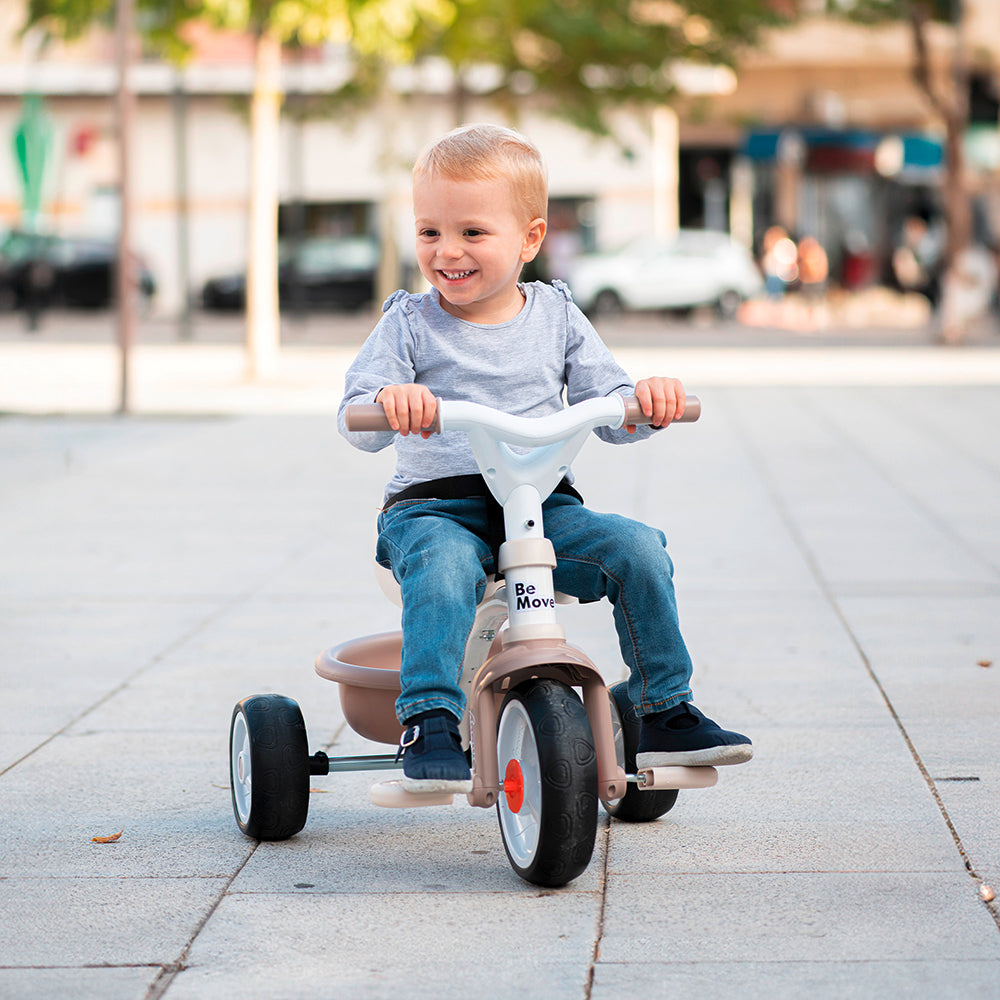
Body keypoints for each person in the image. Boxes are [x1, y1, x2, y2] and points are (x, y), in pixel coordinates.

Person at [338, 123, 752, 793]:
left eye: (472, 233)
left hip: (537, 505)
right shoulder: (409, 322)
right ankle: (430, 719)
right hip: (434, 508)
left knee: (639, 548)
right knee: (443, 570)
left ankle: (663, 707)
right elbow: (357, 420)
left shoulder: (558, 317)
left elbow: (613, 409)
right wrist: (391, 399)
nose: (447, 252)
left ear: (531, 239)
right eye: (429, 232)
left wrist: (646, 400)